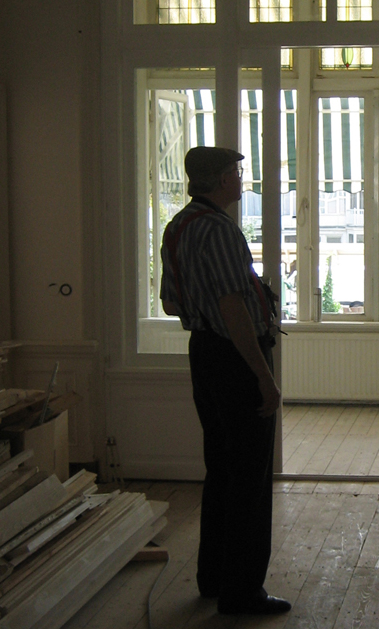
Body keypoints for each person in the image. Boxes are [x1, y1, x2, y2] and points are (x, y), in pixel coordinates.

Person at [159, 146, 290, 616]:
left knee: (222, 470)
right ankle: (242, 591)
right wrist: (263, 376)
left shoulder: (179, 226)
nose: (241, 179)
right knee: (249, 478)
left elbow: (170, 302)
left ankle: (213, 577)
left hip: (205, 353)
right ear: (219, 180)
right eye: (236, 172)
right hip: (236, 358)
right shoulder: (218, 229)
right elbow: (233, 307)